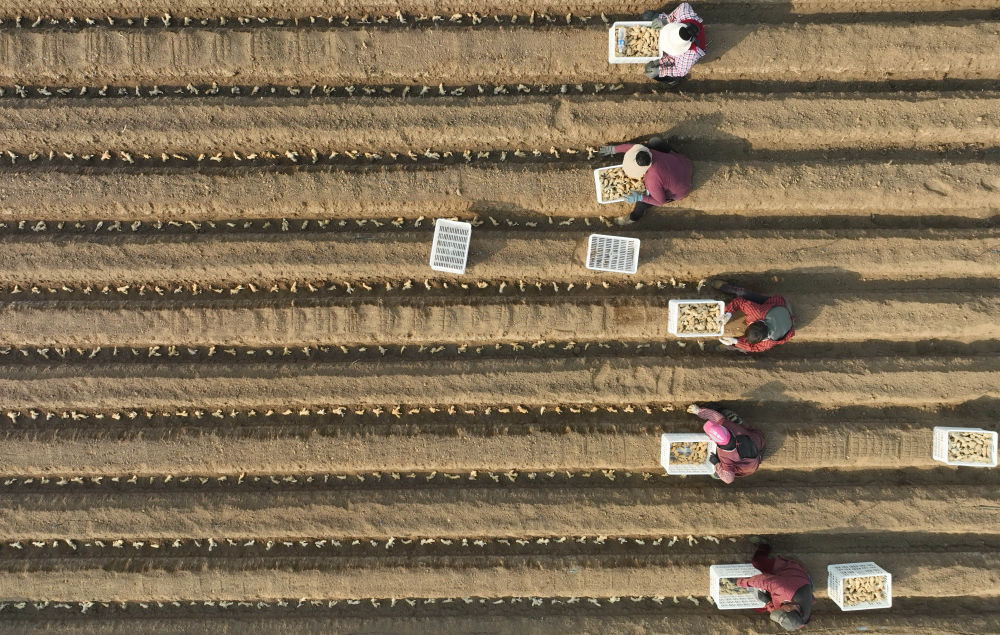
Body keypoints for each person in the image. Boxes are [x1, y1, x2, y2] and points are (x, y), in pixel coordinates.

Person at [598, 137, 693, 222]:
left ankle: (634, 217)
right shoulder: (647, 153)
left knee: (642, 203)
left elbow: (661, 201)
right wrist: (613, 149)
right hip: (684, 163)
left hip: (683, 188)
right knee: (655, 141)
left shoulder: (651, 182)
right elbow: (632, 148)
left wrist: (640, 197)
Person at [736, 539, 814, 631]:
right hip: (789, 574)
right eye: (780, 610)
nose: (778, 610)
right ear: (788, 609)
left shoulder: (799, 621)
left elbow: (777, 611)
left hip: (792, 589)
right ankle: (765, 546)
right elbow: (764, 580)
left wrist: (768, 603)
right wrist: (741, 582)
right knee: (757, 562)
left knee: (759, 608)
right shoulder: (784, 589)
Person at [686, 403, 765, 482]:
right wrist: (698, 411)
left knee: (717, 473)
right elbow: (716, 417)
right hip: (758, 442)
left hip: (750, 467)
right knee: (737, 423)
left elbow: (728, 479)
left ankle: (734, 419)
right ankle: (731, 416)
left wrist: (717, 464)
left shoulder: (726, 460)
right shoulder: (729, 426)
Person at [714, 280, 795, 353]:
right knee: (743, 293)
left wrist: (734, 341)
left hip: (785, 320)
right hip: (773, 305)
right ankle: (726, 287)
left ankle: (729, 346)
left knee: (745, 348)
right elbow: (739, 302)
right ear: (753, 322)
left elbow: (754, 348)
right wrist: (728, 313)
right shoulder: (757, 313)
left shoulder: (768, 343)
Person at [640, 3, 706, 86]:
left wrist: (660, 71)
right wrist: (666, 21)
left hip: (679, 57)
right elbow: (684, 5)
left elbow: (680, 71)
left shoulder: (689, 54)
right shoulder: (685, 15)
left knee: (653, 71)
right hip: (674, 24)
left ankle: (672, 80)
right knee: (647, 16)